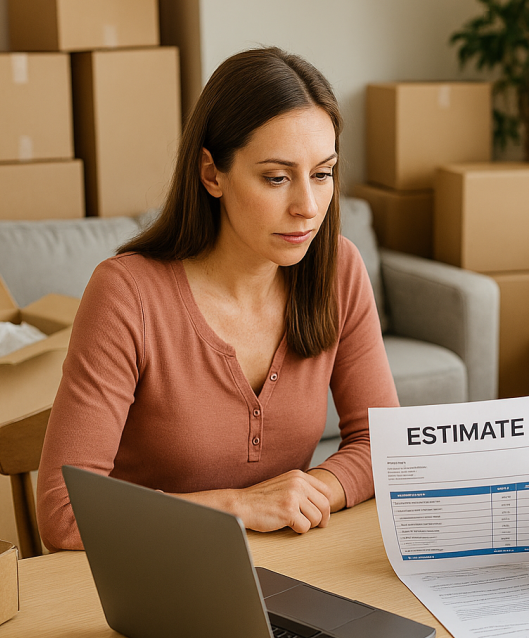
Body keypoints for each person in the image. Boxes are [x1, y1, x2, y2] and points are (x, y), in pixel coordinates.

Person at [37, 47, 398, 551]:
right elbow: (64, 513)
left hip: (289, 567)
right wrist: (239, 506)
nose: (308, 206)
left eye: (322, 174)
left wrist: (308, 492)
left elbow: (384, 445)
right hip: (153, 574)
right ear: (212, 173)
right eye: (277, 177)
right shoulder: (127, 294)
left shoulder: (338, 270)